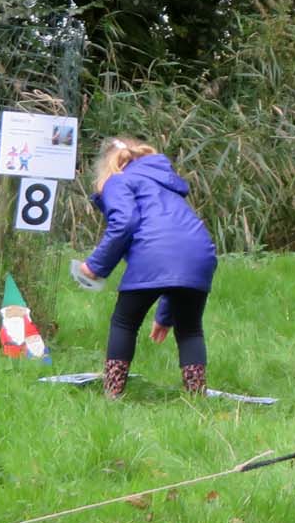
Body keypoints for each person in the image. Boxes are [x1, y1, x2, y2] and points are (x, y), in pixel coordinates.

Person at [78, 137, 219, 399]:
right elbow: (175, 262)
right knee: (189, 328)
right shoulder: (167, 186)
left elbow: (125, 224)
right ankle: (197, 397)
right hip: (200, 253)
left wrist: (94, 266)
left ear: (108, 165)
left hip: (153, 254)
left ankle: (112, 394)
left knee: (124, 322)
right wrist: (166, 317)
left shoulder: (118, 181)